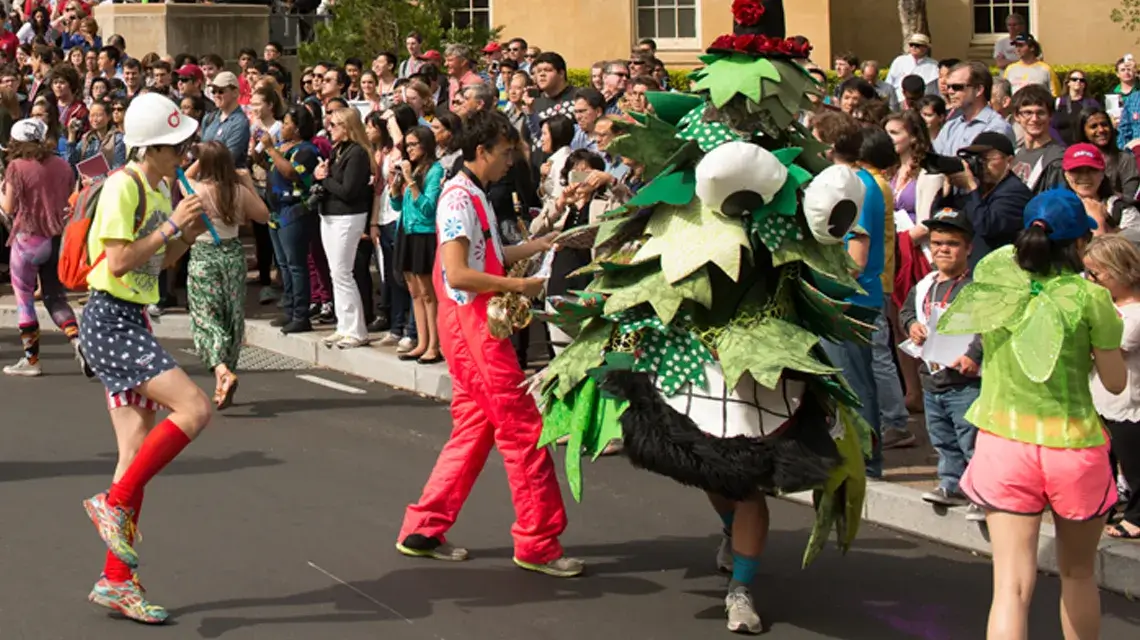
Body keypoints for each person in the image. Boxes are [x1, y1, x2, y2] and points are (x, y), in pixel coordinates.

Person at [396, 109, 584, 579]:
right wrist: (519, 288)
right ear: (481, 152)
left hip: (469, 323)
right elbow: (458, 272)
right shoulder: (460, 198)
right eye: (505, 153)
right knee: (523, 429)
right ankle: (539, 543)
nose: (511, 162)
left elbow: (488, 256)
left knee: (474, 430)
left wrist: (541, 246)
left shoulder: (469, 191)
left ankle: (423, 528)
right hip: (474, 326)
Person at [940, 188, 1126, 640]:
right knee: (1079, 575)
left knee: (1010, 586)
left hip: (1004, 444)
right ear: (1080, 244)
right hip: (1074, 445)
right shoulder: (1090, 299)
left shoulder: (996, 281)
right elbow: (1116, 382)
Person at [79, 92, 213, 624]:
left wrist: (185, 236)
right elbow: (117, 261)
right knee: (196, 409)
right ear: (151, 147)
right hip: (109, 317)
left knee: (133, 453)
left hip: (130, 315)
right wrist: (170, 226)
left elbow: (154, 265)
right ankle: (113, 504)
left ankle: (116, 582)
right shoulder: (122, 185)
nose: (184, 154)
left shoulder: (158, 188)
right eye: (177, 146)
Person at [898, 208, 984, 520]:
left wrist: (974, 355)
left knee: (971, 437)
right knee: (942, 437)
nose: (942, 249)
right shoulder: (925, 285)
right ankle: (952, 483)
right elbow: (906, 312)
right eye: (936, 243)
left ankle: (981, 491)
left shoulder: (976, 288)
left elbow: (987, 328)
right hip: (932, 377)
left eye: (952, 243)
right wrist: (911, 327)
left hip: (965, 380)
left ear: (968, 248)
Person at [186, 141, 270, 409]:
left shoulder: (197, 189)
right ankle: (225, 374)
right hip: (233, 255)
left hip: (204, 255)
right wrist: (247, 183)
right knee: (231, 314)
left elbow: (185, 175)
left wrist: (202, 157)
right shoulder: (238, 192)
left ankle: (221, 369)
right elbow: (263, 215)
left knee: (205, 315)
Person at [0, 118, 84, 377]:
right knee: (54, 297)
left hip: (28, 238)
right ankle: (78, 342)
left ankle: (32, 359)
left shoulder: (16, 166)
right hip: (56, 238)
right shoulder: (62, 165)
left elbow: (8, 207)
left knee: (24, 296)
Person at [1083, 235, 1140, 540]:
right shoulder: (1109, 306)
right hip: (1101, 397)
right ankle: (1104, 506)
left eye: (1097, 274)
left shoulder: (1134, 316)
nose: (1091, 281)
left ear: (1121, 271)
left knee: (1133, 464)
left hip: (1130, 402)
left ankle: (1136, 516)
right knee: (1103, 460)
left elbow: (1108, 347)